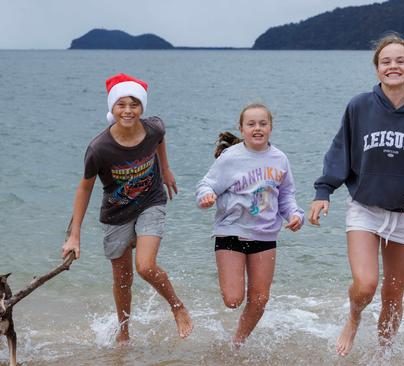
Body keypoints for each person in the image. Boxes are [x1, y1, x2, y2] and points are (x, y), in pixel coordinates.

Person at [308, 34, 404, 356]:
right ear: (377, 69)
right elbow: (340, 151)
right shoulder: (359, 106)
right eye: (386, 61)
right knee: (366, 285)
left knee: (393, 293)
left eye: (401, 61)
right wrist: (323, 191)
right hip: (365, 209)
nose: (393, 66)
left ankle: (384, 355)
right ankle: (354, 317)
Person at [61, 73, 193, 343]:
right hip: (116, 213)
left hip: (151, 201)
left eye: (134, 104)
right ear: (112, 108)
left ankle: (177, 307)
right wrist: (74, 235)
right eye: (121, 104)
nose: (128, 110)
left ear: (142, 107)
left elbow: (160, 140)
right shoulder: (99, 148)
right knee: (123, 280)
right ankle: (124, 332)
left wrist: (165, 170)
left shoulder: (153, 127)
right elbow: (84, 189)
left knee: (145, 266)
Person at [196, 103, 304, 345]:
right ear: (241, 128)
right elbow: (206, 185)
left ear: (271, 128)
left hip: (265, 237)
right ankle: (230, 281)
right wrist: (205, 198)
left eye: (263, 124)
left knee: (259, 299)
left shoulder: (280, 159)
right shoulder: (230, 158)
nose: (257, 128)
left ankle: (237, 343)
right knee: (233, 300)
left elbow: (286, 196)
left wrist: (295, 216)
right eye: (251, 124)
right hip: (231, 232)